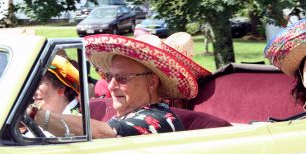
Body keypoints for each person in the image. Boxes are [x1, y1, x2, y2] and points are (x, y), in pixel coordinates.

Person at [31, 33, 209, 138]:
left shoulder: (160, 118)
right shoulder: (128, 115)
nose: (111, 86)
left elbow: (103, 133)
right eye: (109, 77)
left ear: (152, 82)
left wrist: (32, 113)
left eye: (123, 78)